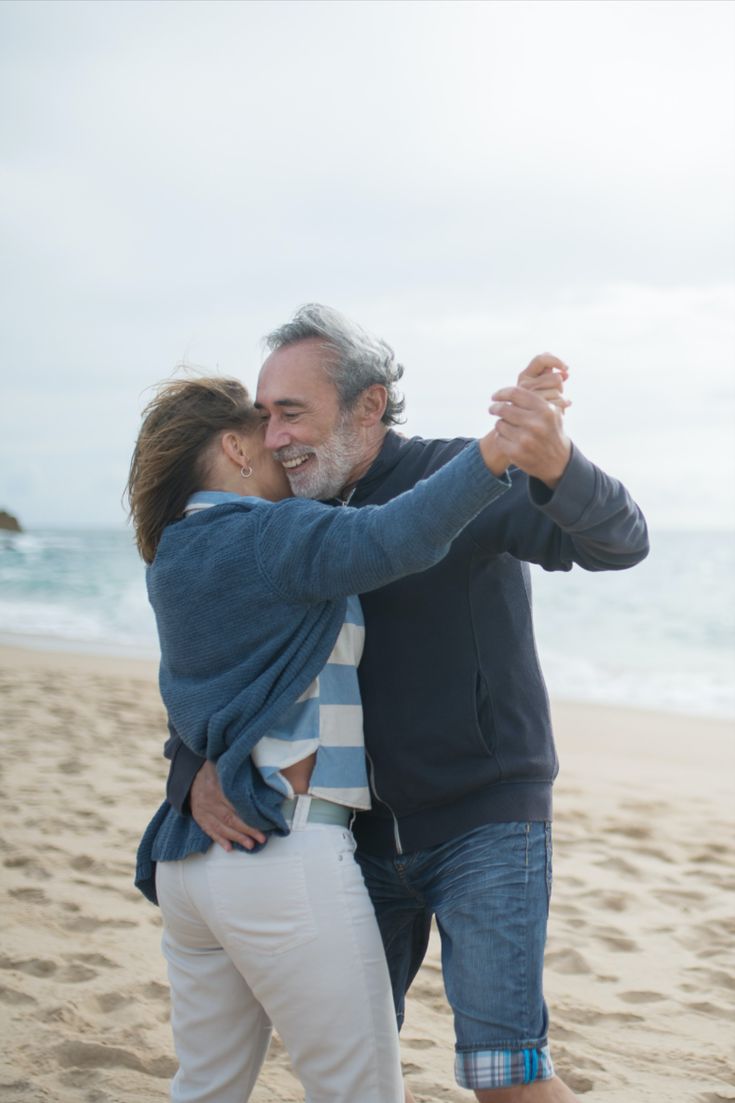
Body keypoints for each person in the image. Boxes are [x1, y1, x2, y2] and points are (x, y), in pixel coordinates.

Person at [167, 305, 649, 1103]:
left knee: (504, 1076)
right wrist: (192, 766)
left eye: (292, 413)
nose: (276, 437)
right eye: (266, 417)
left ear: (367, 405)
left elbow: (620, 541)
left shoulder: (460, 476)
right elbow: (214, 657)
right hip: (348, 840)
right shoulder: (284, 516)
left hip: (480, 821)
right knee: (355, 1066)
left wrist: (557, 463)